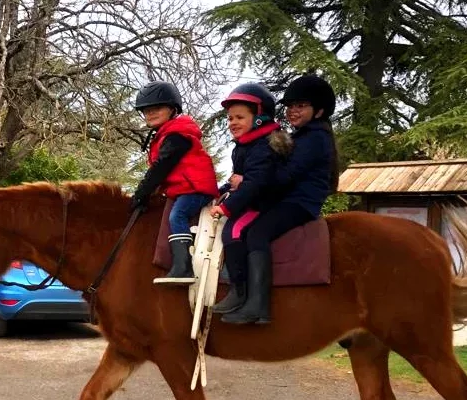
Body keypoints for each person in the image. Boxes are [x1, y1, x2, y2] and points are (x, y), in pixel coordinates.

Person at [217, 74, 338, 325]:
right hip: (288, 198)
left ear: (319, 111)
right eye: (290, 106)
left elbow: (284, 176)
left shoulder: (315, 138)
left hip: (299, 203)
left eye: (301, 106)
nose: (293, 111)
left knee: (257, 232)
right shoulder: (302, 135)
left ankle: (258, 305)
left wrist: (246, 182)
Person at [209, 83, 292, 323]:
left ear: (259, 118)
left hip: (263, 203)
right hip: (253, 199)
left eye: (239, 117)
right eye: (230, 118)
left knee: (233, 231)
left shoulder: (263, 146)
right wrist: (218, 192)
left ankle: (241, 290)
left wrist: (225, 207)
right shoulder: (245, 146)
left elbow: (254, 184)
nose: (232, 122)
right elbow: (237, 179)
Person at [130, 81, 219, 283]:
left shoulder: (177, 136)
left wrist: (140, 194)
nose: (150, 113)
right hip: (182, 189)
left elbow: (161, 168)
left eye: (157, 108)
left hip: (195, 189)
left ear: (172, 109)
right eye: (146, 110)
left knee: (177, 215)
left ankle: (183, 266)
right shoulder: (165, 135)